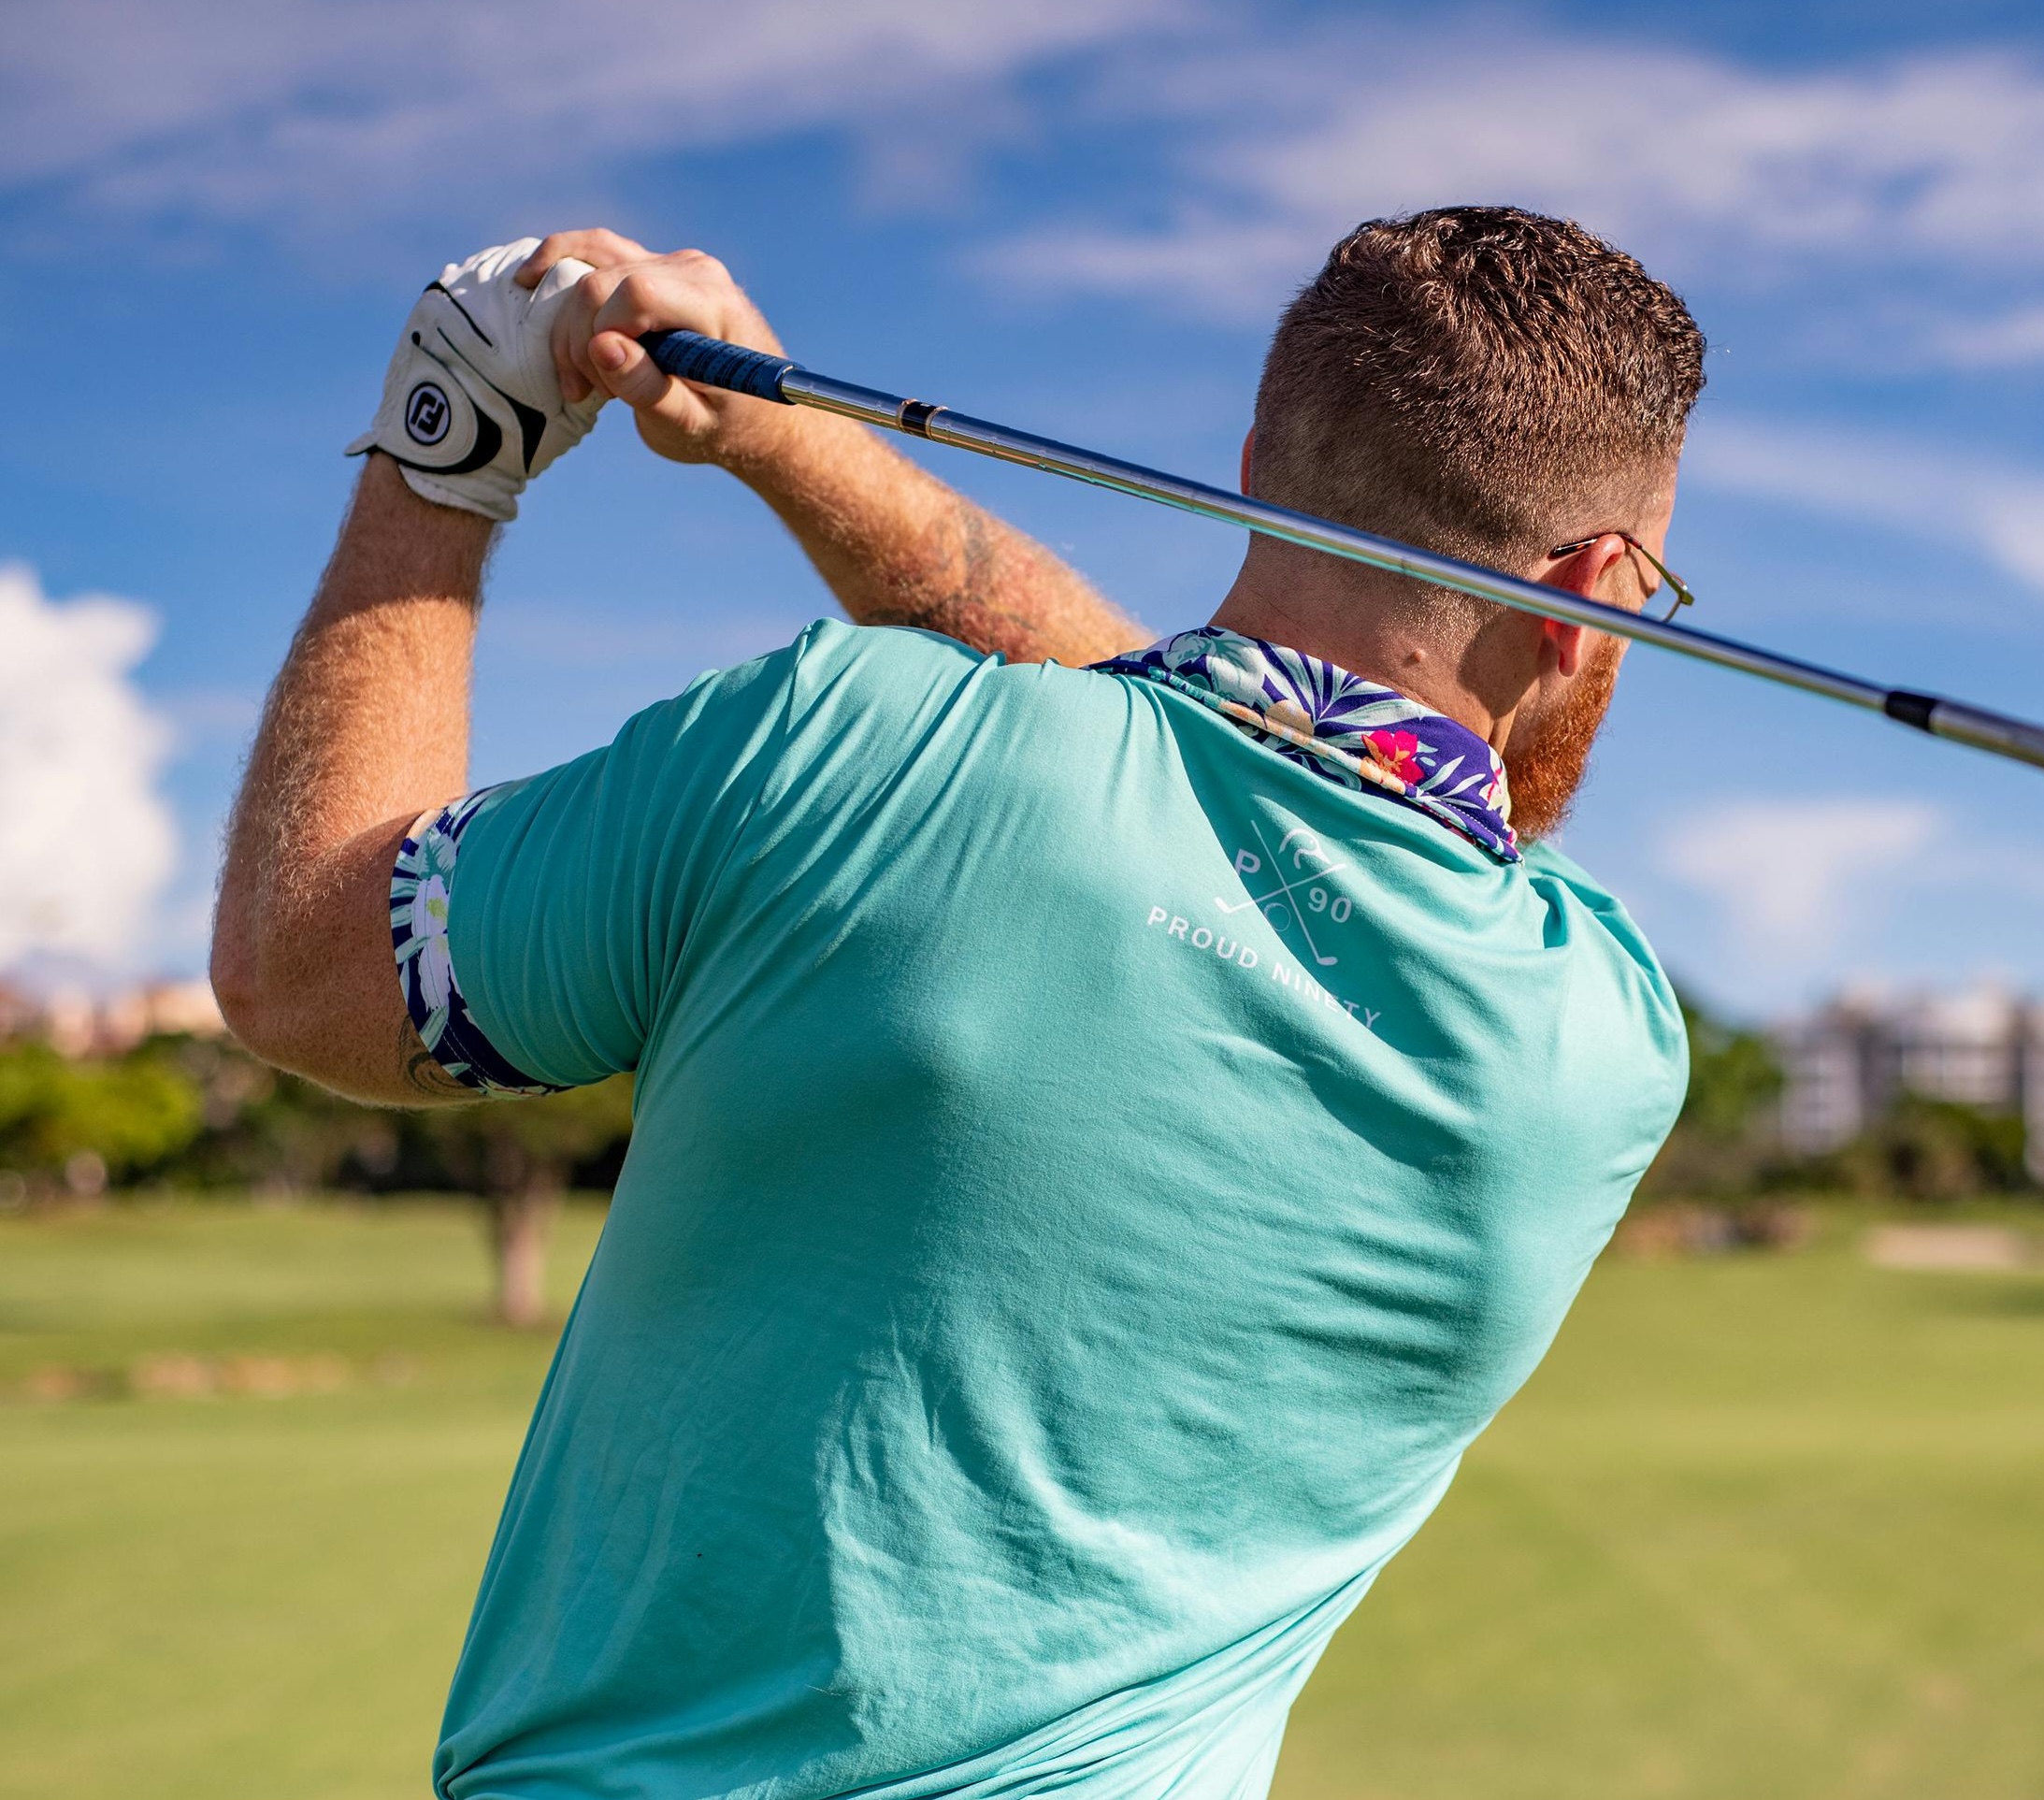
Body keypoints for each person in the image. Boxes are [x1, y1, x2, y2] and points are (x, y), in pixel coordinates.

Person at [211, 205, 1704, 1800]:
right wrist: (796, 441)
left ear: (1257, 466)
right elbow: (1223, 765)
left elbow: (301, 966)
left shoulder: (834, 744)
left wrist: (449, 444)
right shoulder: (1595, 1040)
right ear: (1591, 590)